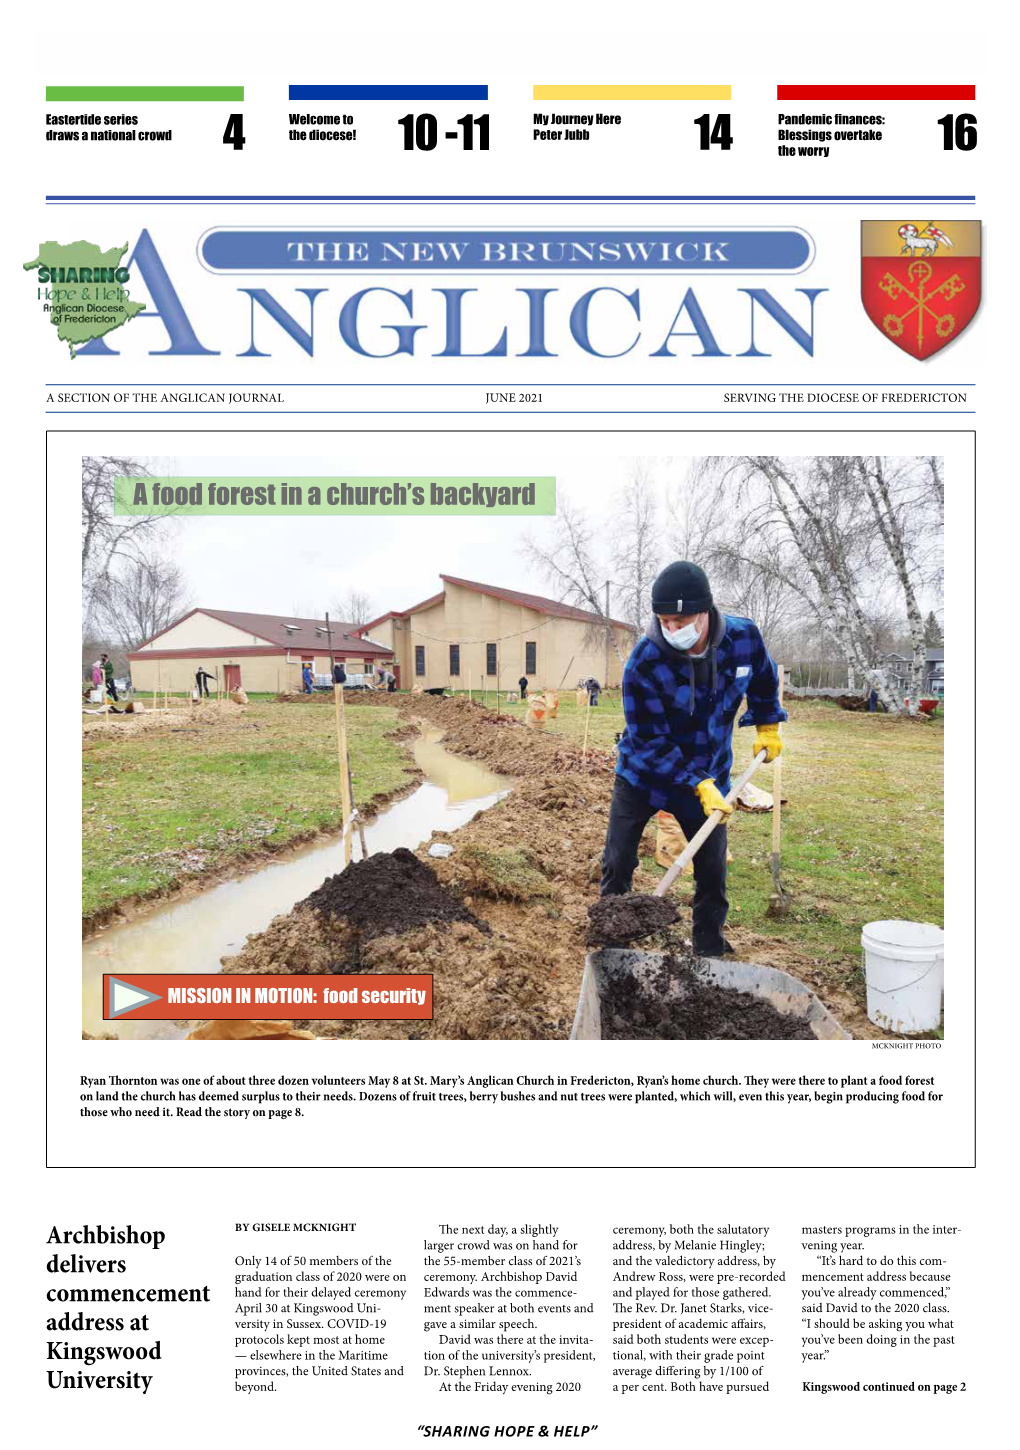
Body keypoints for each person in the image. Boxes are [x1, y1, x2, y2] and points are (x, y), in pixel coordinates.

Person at [601, 560, 786, 958]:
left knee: (712, 869)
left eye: (680, 620)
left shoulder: (744, 638)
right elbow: (649, 740)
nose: (672, 630)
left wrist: (767, 724)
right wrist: (695, 781)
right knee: (618, 860)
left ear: (705, 610)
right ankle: (611, 945)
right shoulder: (645, 661)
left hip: (710, 771)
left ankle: (708, 948)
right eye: (664, 621)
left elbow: (765, 679)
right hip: (642, 776)